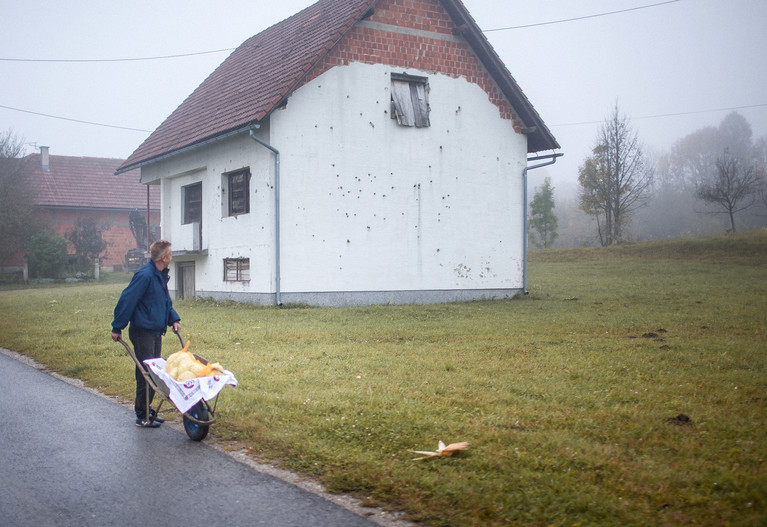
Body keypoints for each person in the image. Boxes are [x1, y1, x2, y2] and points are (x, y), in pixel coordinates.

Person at [111, 240, 181, 427]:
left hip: (155, 331)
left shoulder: (159, 275)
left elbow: (165, 301)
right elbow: (127, 299)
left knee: (154, 374)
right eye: (170, 255)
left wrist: (173, 319)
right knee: (146, 374)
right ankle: (142, 415)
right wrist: (117, 327)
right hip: (142, 332)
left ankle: (147, 409)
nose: (171, 257)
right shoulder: (145, 276)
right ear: (164, 257)